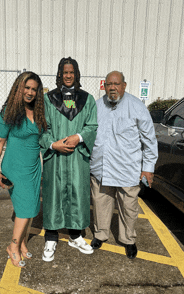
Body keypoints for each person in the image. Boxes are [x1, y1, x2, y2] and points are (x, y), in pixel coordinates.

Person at [90, 71, 158, 259]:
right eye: (109, 84)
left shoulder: (136, 107)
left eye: (116, 84)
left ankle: (128, 239)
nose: (113, 87)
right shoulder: (96, 106)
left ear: (124, 85)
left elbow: (149, 140)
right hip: (101, 167)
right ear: (104, 86)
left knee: (128, 207)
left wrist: (148, 168)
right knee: (100, 202)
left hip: (127, 168)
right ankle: (100, 234)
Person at [39, 57, 98, 262]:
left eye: (72, 72)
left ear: (77, 74)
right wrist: (53, 144)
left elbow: (92, 126)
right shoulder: (48, 99)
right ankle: (51, 237)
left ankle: (75, 235)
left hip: (76, 157)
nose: (68, 75)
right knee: (53, 193)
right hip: (55, 156)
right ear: (59, 74)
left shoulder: (87, 99)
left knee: (77, 192)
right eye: (65, 72)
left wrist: (79, 137)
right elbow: (42, 128)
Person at [0, 71, 47, 267]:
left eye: (34, 89)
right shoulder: (10, 111)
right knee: (24, 209)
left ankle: (23, 242)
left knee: (31, 208)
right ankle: (13, 247)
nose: (30, 92)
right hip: (15, 167)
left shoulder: (38, 111)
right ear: (19, 88)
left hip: (33, 168)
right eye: (27, 87)